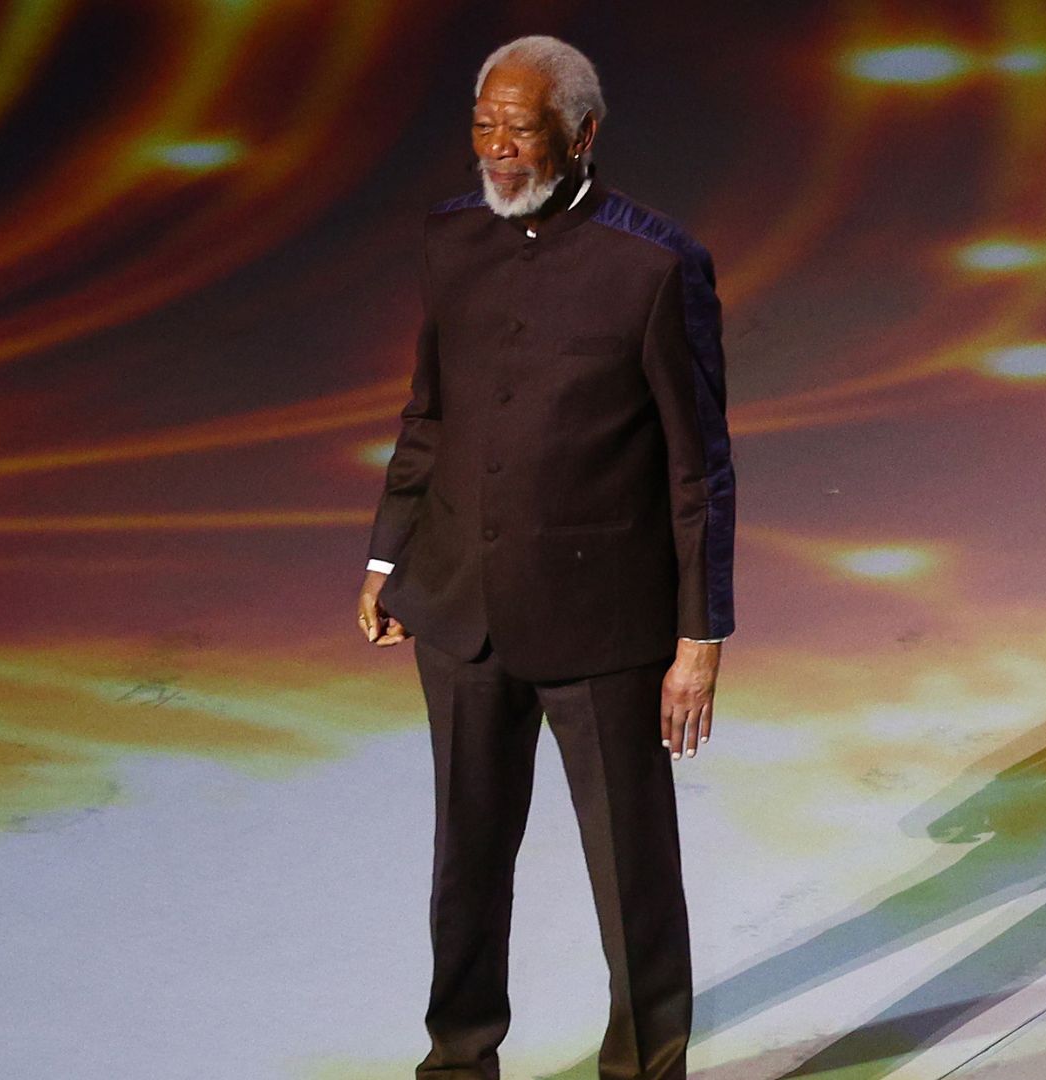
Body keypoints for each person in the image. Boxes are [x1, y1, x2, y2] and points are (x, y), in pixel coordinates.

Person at [356, 33, 735, 1080]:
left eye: (521, 129)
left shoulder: (657, 266)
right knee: (464, 863)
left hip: (603, 628)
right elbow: (428, 413)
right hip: (460, 610)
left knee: (632, 875)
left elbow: (699, 467)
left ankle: (649, 1065)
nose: (499, 149)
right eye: (484, 125)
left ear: (582, 134)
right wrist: (389, 559)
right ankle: (459, 1057)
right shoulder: (447, 240)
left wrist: (699, 636)